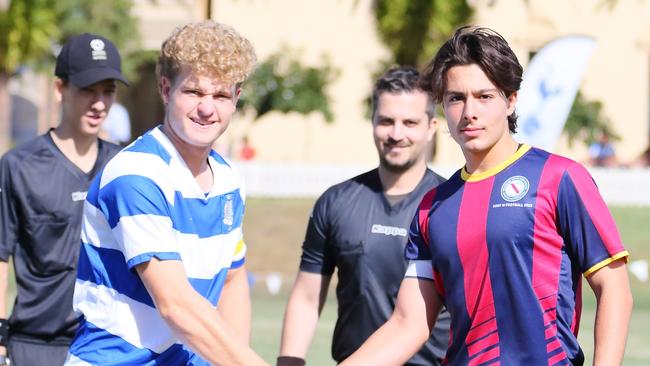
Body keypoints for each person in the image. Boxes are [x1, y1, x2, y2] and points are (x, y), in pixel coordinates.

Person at [342, 26, 633, 365]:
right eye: (455, 98)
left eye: (484, 96)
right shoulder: (432, 208)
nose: (469, 112)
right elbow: (408, 323)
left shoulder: (560, 178)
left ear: (510, 100)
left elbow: (614, 289)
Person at [64, 21, 268, 366]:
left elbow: (233, 281)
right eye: (193, 92)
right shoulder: (137, 174)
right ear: (165, 89)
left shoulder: (230, 179)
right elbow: (176, 305)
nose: (207, 109)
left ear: (236, 98)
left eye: (220, 96)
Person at [279, 66, 450, 366]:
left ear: (431, 126)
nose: (397, 134)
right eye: (386, 121)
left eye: (409, 122)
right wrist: (289, 362)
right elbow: (307, 297)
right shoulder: (336, 202)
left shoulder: (451, 205)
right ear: (372, 122)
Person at [0, 33, 128, 366]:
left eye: (108, 91)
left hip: (105, 347)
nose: (99, 103)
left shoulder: (125, 168)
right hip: (34, 346)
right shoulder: (18, 166)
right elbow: (1, 256)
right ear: (60, 89)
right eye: (88, 90)